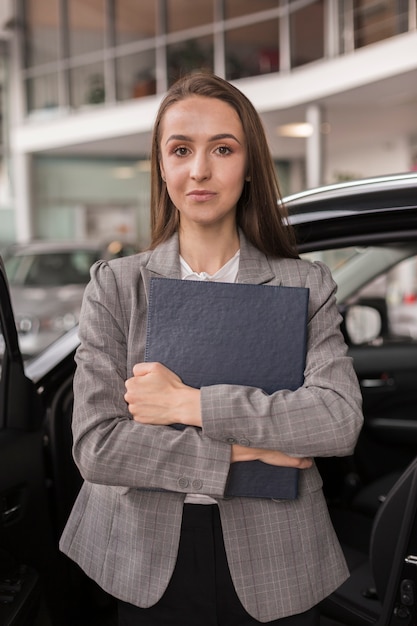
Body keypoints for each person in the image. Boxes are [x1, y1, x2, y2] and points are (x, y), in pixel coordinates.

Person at [59, 72, 363, 625]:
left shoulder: (304, 285)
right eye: (181, 149)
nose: (199, 169)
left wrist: (185, 405)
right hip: (145, 557)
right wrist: (243, 453)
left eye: (222, 148)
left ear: (248, 166)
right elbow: (98, 447)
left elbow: (337, 421)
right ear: (161, 166)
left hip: (278, 556)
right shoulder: (116, 286)